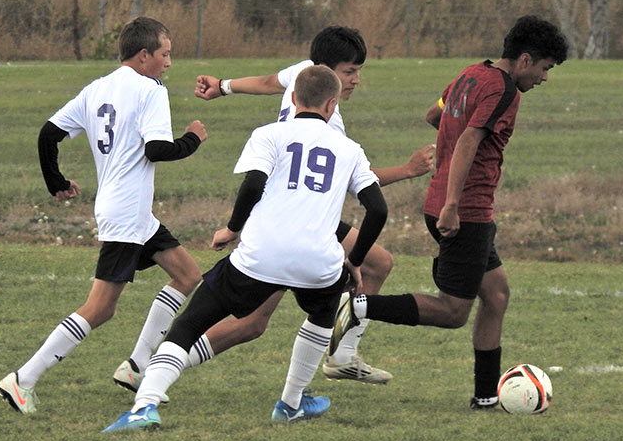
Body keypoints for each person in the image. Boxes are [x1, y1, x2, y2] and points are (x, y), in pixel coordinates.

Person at [103, 65, 388, 431]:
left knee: (190, 323)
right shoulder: (350, 149)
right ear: (332, 106)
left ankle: (144, 407)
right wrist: (356, 259)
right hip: (319, 262)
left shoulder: (268, 135)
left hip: (259, 256)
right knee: (321, 313)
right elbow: (378, 208)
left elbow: (254, 184)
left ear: (293, 98)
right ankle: (291, 403)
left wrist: (232, 229)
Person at [168, 26, 432, 385]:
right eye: (349, 71)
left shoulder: (302, 75)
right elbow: (359, 180)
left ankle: (343, 355)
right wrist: (408, 169)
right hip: (291, 215)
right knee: (252, 323)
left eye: (358, 70)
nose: (356, 80)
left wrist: (223, 86)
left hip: (288, 207)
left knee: (378, 262)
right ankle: (161, 366)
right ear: (325, 72)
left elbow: (267, 81)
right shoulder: (330, 124)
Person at [330, 15, 569, 410]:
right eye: (545, 68)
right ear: (525, 60)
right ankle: (358, 306)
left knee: (497, 294)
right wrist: (454, 204)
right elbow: (469, 142)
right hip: (464, 211)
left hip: (453, 204)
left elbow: (434, 116)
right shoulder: (506, 91)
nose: (544, 78)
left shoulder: (471, 74)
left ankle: (486, 396)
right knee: (454, 311)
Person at [0, 17, 208, 414]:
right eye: (165, 54)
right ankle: (23, 379)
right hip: (127, 213)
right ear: (144, 55)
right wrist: (193, 137)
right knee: (100, 308)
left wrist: (55, 181)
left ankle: (137, 366)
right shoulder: (150, 89)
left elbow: (48, 134)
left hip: (129, 210)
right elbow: (158, 150)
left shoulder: (96, 89)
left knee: (188, 275)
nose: (168, 62)